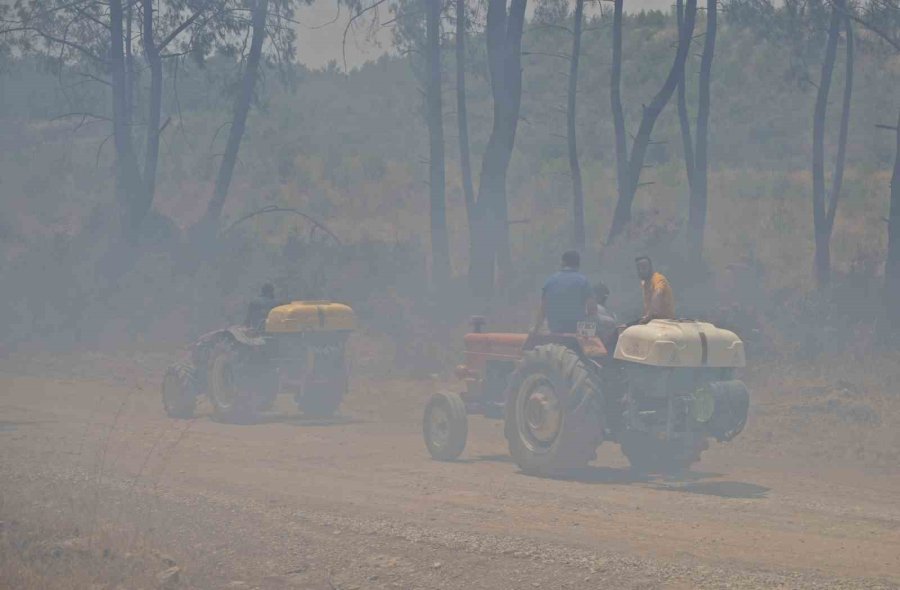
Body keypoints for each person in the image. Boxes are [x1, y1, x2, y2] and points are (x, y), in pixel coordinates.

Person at [531, 251, 595, 335]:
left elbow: (542, 310)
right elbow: (592, 310)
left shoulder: (550, 281)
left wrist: (535, 330)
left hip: (555, 332)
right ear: (578, 264)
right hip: (577, 333)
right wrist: (587, 333)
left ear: (563, 262)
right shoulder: (584, 282)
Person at [635, 256, 675, 324]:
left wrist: (649, 315)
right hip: (652, 322)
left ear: (651, 268)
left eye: (644, 267)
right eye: (639, 268)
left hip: (665, 323)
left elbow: (658, 294)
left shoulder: (658, 279)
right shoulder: (644, 283)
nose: (641, 271)